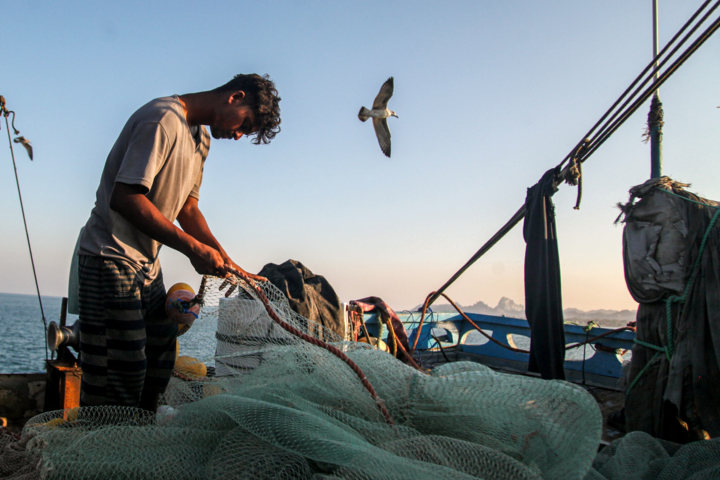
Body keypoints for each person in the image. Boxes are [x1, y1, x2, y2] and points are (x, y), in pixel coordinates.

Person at [75, 74, 281, 411]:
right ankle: (102, 451)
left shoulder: (202, 138)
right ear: (235, 96)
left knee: (159, 360)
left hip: (146, 266)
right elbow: (125, 197)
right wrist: (191, 249)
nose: (239, 135)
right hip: (109, 259)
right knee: (120, 378)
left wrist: (229, 264)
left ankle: (136, 444)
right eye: (245, 123)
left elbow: (188, 208)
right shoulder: (162, 119)